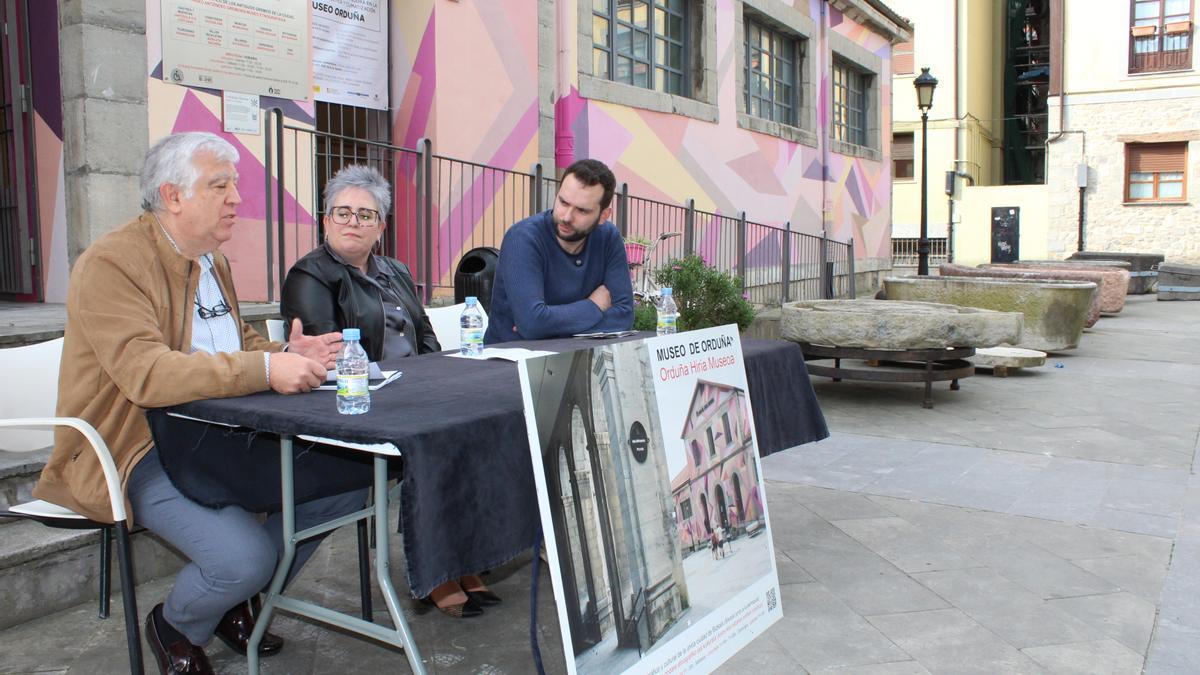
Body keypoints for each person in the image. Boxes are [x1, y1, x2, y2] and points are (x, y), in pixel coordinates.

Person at [32, 131, 360, 675]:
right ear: (173, 195)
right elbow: (148, 374)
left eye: (234, 185)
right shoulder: (111, 263)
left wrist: (282, 351)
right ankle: (178, 624)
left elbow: (231, 345)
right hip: (138, 445)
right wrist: (264, 369)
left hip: (220, 434)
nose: (237, 198)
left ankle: (240, 600)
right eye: (221, 185)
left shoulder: (211, 260)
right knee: (243, 558)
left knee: (354, 477)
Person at [280, 164, 500, 619]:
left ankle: (464, 556)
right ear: (325, 219)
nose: (352, 223)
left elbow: (423, 334)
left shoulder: (395, 270)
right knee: (436, 445)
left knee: (480, 427)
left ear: (381, 226)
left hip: (414, 389)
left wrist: (440, 376)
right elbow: (329, 354)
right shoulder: (311, 275)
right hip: (363, 402)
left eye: (365, 215)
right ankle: (435, 571)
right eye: (342, 212)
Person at [483, 158, 634, 343]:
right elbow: (532, 323)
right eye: (563, 202)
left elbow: (624, 317)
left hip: (574, 360)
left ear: (603, 215)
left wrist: (547, 325)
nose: (566, 217)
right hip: (509, 362)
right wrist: (594, 306)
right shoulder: (523, 238)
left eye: (582, 211)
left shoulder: (608, 238)